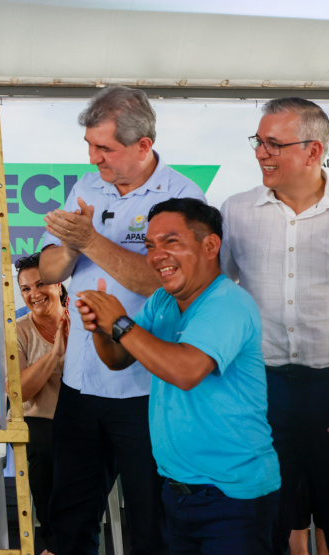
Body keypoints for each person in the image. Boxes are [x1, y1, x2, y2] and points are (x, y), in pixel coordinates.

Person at [38, 85, 205, 554]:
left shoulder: (182, 197)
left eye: (105, 149)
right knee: (69, 519)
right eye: (90, 146)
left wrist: (89, 240)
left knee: (152, 521)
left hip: (147, 388)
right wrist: (71, 245)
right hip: (81, 380)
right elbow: (48, 271)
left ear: (143, 145)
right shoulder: (86, 187)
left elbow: (159, 282)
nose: (94, 158)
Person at [76, 198, 280, 554]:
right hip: (177, 491)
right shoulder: (162, 302)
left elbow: (186, 371)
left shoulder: (228, 303)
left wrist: (119, 323)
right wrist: (100, 328)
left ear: (210, 246)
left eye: (171, 242)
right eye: (150, 245)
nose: (157, 255)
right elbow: (118, 358)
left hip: (232, 497)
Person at [220, 97, 329, 554]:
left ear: (314, 151)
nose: (261, 153)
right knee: (266, 523)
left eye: (274, 143)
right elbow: (215, 296)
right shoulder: (236, 211)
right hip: (262, 389)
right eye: (258, 141)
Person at [12, 252, 68, 553]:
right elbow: (21, 392)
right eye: (26, 288)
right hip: (39, 419)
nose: (34, 294)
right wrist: (55, 354)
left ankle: (74, 535)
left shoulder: (82, 322)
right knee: (44, 449)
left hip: (83, 417)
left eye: (41, 284)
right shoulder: (17, 331)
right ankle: (56, 543)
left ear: (58, 284)